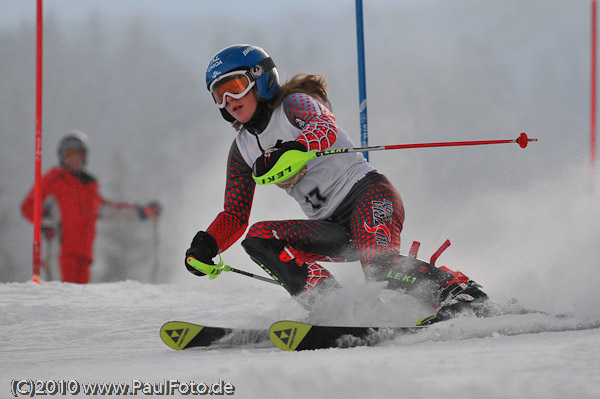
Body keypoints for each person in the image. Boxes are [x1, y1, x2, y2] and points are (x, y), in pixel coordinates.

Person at [185, 44, 497, 323]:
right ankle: (333, 306)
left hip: (368, 195)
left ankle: (460, 293)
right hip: (330, 226)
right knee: (259, 238)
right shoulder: (242, 149)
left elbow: (325, 127)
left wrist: (295, 148)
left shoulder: (293, 105)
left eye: (235, 86)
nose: (228, 100)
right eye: (218, 94)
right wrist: (207, 245)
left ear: (261, 79)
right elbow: (234, 214)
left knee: (378, 266)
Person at [21, 130, 161, 284]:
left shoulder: (88, 187)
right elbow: (28, 206)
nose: (75, 159)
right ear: (62, 157)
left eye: (79, 155)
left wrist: (142, 212)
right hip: (60, 253)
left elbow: (110, 211)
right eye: (70, 155)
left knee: (80, 301)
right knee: (63, 297)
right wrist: (45, 221)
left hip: (84, 257)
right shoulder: (55, 180)